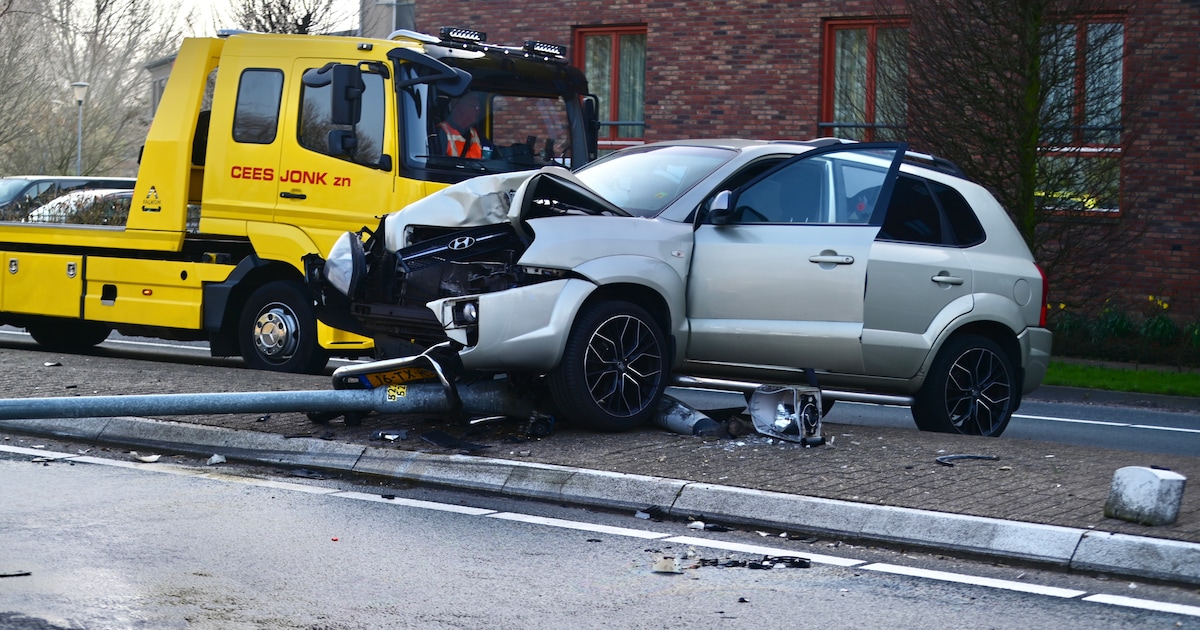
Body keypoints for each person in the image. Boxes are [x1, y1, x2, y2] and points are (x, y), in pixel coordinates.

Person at [438, 92, 487, 158]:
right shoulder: (442, 132)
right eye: (475, 107)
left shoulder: (474, 133)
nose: (478, 112)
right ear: (460, 107)